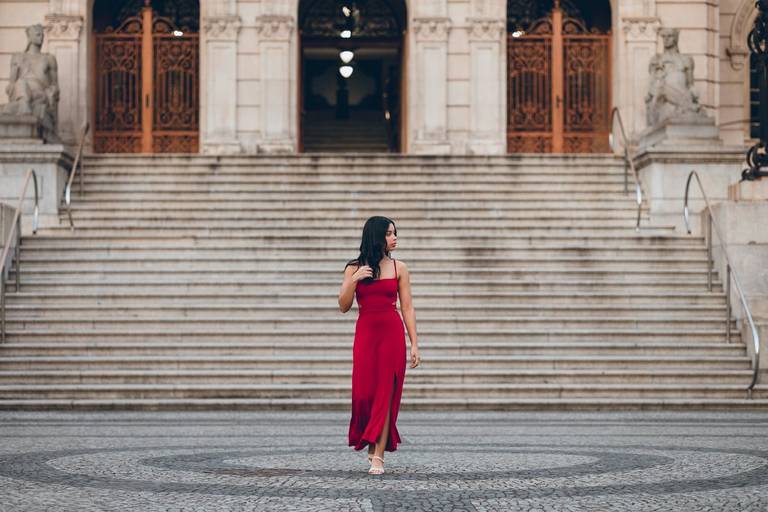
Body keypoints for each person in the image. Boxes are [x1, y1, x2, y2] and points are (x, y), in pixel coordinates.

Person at [338, 216, 420, 475]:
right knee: (364, 394)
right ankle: (371, 441)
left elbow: (407, 307)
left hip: (391, 335)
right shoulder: (353, 268)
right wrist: (354, 280)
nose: (394, 238)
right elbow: (343, 306)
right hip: (365, 335)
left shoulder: (400, 267)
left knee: (385, 394)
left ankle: (378, 457)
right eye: (388, 233)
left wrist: (415, 343)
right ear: (375, 236)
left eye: (395, 233)